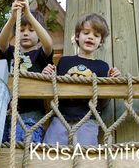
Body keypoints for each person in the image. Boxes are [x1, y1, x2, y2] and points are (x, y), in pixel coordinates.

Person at [42, 13, 121, 145]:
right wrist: (47, 74)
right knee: (49, 155)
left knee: (85, 158)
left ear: (100, 42)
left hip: (87, 120)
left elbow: (104, 100)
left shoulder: (102, 66)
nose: (91, 37)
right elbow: (53, 88)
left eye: (96, 35)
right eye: (86, 33)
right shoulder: (64, 62)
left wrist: (113, 79)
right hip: (60, 118)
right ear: (78, 36)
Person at [0, 0, 54, 143]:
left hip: (32, 113)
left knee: (22, 146)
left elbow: (48, 44)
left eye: (31, 30)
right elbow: (2, 43)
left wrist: (28, 14)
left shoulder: (40, 55)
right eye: (21, 29)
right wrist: (12, 18)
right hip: (6, 113)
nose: (25, 33)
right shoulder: (11, 53)